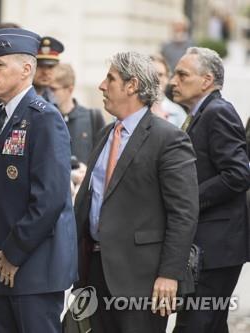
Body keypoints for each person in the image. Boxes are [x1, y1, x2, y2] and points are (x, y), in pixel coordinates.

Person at [73, 51, 199, 333]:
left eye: (111, 79)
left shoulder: (168, 139)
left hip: (141, 280)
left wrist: (169, 274)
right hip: (95, 272)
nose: (102, 86)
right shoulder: (107, 133)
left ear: (132, 86)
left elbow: (184, 214)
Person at [0, 28, 78, 333]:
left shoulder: (44, 118)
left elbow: (49, 199)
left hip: (32, 267)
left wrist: (14, 252)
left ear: (26, 69)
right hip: (0, 264)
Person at [170, 47, 250, 333]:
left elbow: (239, 174)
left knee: (195, 324)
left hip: (218, 248)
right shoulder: (200, 111)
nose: (173, 81)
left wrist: (190, 201)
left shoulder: (218, 112)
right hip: (209, 247)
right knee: (210, 325)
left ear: (206, 80)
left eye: (182, 75)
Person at [50, 63, 105, 164]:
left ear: (70, 89)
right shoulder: (46, 118)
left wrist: (86, 172)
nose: (49, 93)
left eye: (53, 89)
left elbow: (103, 160)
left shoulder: (93, 117)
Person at [150, 54, 187, 127]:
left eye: (160, 75)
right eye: (151, 74)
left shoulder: (178, 113)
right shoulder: (133, 110)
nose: (156, 79)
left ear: (168, 79)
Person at [33, 36, 64, 106]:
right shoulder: (20, 96)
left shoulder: (54, 99)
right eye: (40, 66)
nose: (45, 72)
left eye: (50, 67)